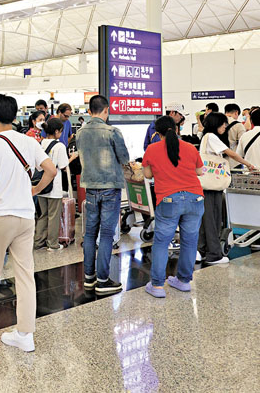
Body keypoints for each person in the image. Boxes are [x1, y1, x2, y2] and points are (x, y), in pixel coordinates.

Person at [0, 94, 55, 353]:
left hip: (0, 215)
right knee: (25, 273)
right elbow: (51, 170)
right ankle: (25, 334)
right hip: (25, 216)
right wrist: (35, 189)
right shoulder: (28, 141)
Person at [142, 115, 206, 298]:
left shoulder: (152, 149)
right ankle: (183, 281)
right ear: (176, 129)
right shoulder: (189, 147)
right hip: (195, 198)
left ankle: (157, 286)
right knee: (190, 241)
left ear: (157, 133)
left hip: (168, 199)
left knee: (162, 242)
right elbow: (199, 171)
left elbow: (147, 174)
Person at [76, 95, 130, 294]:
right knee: (106, 234)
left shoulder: (80, 133)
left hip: (90, 188)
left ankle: (89, 278)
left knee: (90, 233)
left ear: (90, 111)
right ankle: (103, 280)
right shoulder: (112, 132)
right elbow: (124, 157)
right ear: (106, 110)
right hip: (110, 187)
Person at [199, 112, 254, 265]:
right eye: (223, 123)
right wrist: (248, 164)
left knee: (207, 219)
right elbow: (231, 154)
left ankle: (202, 250)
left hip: (206, 184)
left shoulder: (205, 137)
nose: (225, 126)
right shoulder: (211, 137)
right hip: (212, 185)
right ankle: (214, 254)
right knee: (213, 219)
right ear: (216, 123)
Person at [35, 117, 71, 251]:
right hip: (54, 186)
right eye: (61, 131)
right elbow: (63, 165)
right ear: (56, 131)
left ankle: (39, 242)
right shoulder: (59, 146)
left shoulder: (40, 144)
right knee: (53, 216)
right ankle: (53, 244)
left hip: (40, 185)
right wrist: (72, 157)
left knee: (43, 215)